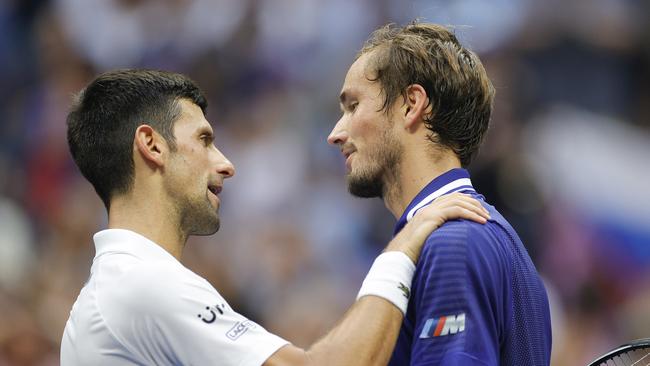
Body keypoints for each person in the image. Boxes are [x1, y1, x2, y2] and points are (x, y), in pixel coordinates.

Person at [60, 69, 490, 365]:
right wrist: (402, 248)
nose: (225, 163)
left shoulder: (116, 290)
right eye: (205, 140)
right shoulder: (143, 286)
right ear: (152, 146)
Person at [327, 22, 552, 365]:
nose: (335, 133)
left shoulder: (453, 243)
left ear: (411, 104)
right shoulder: (469, 235)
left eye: (353, 105)